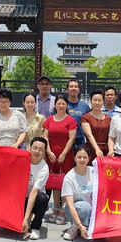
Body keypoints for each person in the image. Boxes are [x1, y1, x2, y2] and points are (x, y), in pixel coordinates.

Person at [43, 94, 77, 224]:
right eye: (59, 103)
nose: (61, 106)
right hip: (51, 155)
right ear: (55, 105)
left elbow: (72, 138)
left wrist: (63, 153)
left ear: (67, 105)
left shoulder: (70, 120)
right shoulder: (49, 119)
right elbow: (45, 136)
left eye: (63, 103)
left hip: (66, 155)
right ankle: (55, 208)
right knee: (55, 181)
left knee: (65, 182)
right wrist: (48, 151)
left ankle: (63, 209)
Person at [61, 146, 94, 241]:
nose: (82, 160)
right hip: (74, 209)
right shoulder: (69, 177)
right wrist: (79, 225)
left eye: (85, 157)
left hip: (91, 210)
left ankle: (86, 226)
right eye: (79, 157)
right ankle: (75, 227)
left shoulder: (94, 171)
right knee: (84, 207)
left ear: (89, 158)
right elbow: (70, 205)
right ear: (74, 158)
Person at [22, 137, 50, 240]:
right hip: (20, 198)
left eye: (41, 149)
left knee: (43, 198)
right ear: (30, 148)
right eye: (34, 148)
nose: (37, 151)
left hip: (34, 199)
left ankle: (35, 227)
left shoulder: (44, 169)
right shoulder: (22, 159)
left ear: (44, 153)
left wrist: (25, 219)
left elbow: (33, 193)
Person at [80, 89, 111, 162]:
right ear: (91, 101)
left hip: (105, 150)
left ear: (103, 102)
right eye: (95, 100)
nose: (97, 103)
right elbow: (89, 135)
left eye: (99, 100)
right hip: (91, 149)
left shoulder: (108, 118)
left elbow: (111, 136)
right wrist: (97, 149)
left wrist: (110, 150)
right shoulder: (86, 117)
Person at [65, 79, 90, 147]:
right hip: (65, 139)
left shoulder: (85, 106)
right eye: (71, 86)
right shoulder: (63, 105)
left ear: (78, 90)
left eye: (76, 87)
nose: (73, 88)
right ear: (67, 89)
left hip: (80, 140)